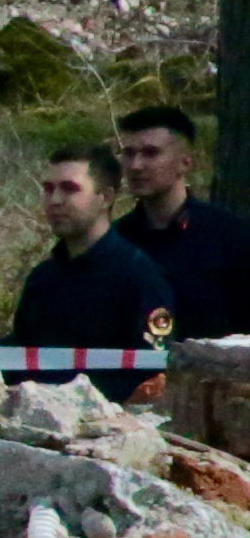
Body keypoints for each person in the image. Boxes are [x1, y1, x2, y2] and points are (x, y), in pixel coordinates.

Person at [12, 144, 178, 387]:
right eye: (48, 189)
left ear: (106, 198)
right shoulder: (42, 279)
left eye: (70, 189)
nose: (55, 200)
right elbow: (20, 352)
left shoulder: (139, 278)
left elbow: (153, 372)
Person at [113, 103, 250, 340]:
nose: (135, 166)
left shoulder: (231, 238)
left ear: (185, 162)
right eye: (128, 153)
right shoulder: (115, 242)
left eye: (151, 153)